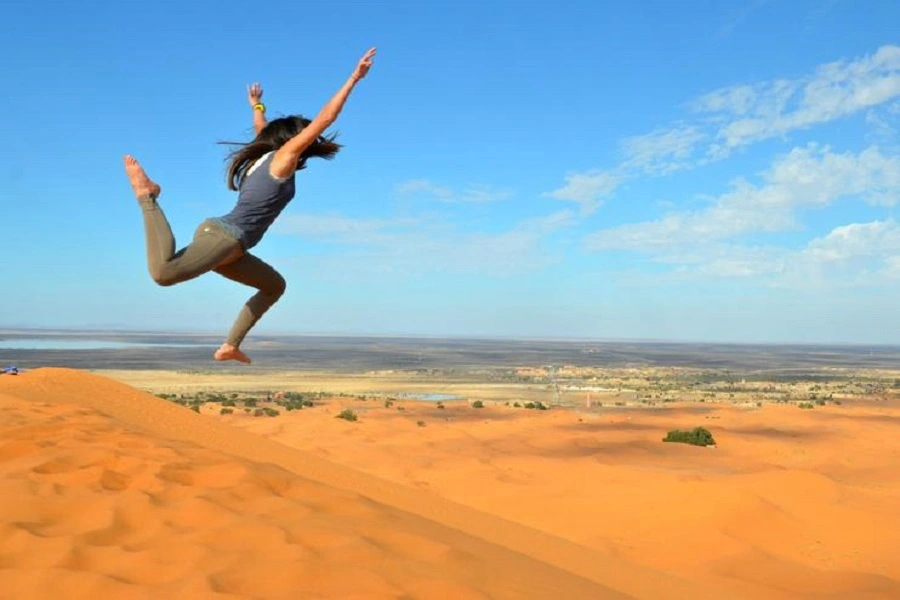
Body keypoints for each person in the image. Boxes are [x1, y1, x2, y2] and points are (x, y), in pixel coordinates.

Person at [123, 47, 377, 364]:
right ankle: (147, 196)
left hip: (234, 247)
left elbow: (261, 128)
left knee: (274, 286)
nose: (309, 141)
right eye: (303, 138)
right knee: (163, 272)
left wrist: (257, 105)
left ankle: (230, 345)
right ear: (292, 141)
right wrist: (354, 78)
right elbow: (326, 118)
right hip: (223, 236)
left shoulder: (262, 156)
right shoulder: (283, 157)